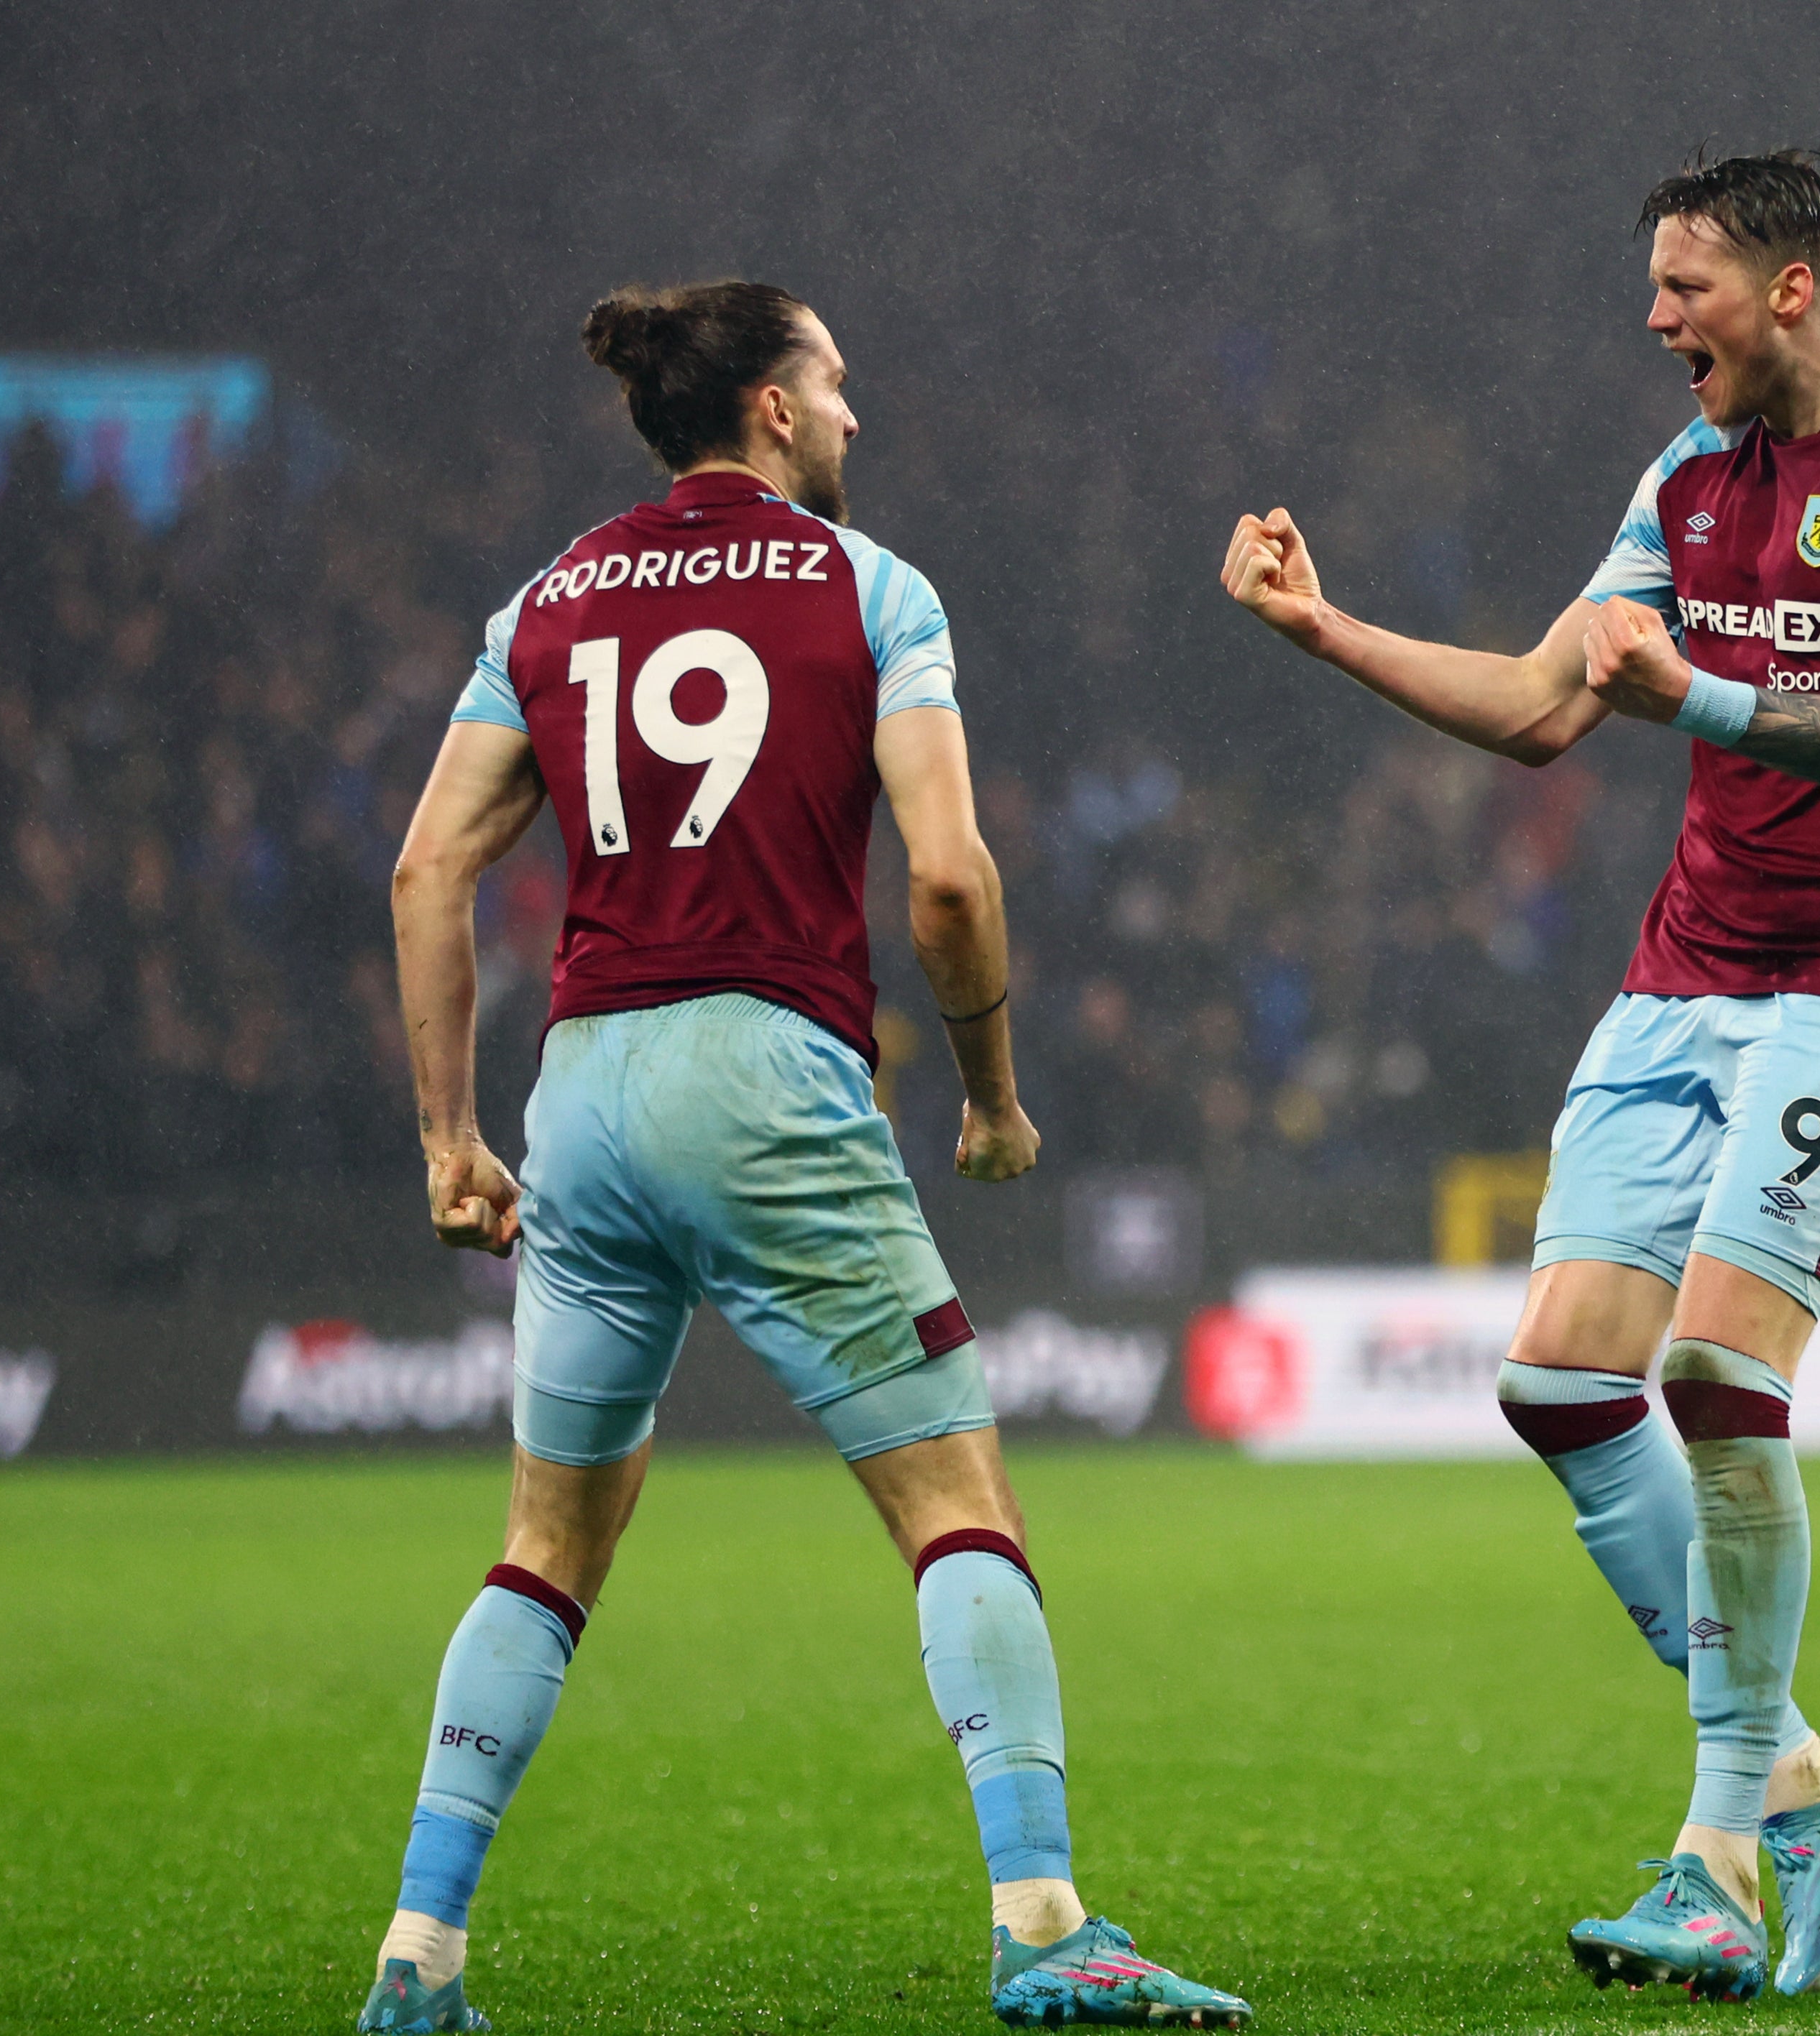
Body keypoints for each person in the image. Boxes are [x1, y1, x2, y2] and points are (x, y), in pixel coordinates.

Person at [359, 280, 1249, 2034]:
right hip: (764, 1071)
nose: (855, 415)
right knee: (958, 1505)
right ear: (770, 407)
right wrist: (989, 1091)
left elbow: (421, 874)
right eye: (834, 384)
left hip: (587, 1090)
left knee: (545, 1545)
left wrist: (452, 1138)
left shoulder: (543, 601)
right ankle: (1046, 1916)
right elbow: (947, 876)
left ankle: (417, 1954)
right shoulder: (870, 588)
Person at [1223, 151, 1820, 1999]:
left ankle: (1718, 1854)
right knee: (1560, 1381)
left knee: (1716, 1373)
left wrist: (1707, 705)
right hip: (1684, 974)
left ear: (1798, 284)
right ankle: (1812, 1785)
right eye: (1656, 287)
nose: (1659, 319)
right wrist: (1319, 628)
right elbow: (1540, 704)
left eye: (1688, 289)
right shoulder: (1685, 477)